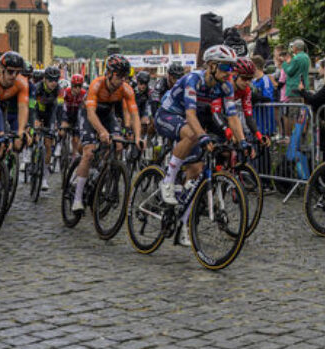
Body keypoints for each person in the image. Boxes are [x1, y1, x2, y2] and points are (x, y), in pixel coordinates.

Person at [154, 45, 247, 231]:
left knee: (196, 169)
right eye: (225, 67)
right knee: (192, 134)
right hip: (167, 114)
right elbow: (190, 115)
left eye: (232, 68)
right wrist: (203, 136)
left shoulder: (226, 86)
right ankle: (168, 181)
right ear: (211, 66)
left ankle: (182, 223)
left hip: (187, 119)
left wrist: (243, 141)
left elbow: (232, 117)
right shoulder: (193, 79)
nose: (230, 73)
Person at [71, 55, 141, 213]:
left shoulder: (125, 89)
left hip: (107, 115)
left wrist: (138, 137)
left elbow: (134, 114)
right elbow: (90, 114)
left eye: (125, 76)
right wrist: (102, 131)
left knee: (118, 146)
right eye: (119, 76)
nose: (122, 80)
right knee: (88, 152)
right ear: (109, 74)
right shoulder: (96, 85)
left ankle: (102, 174)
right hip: (89, 114)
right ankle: (77, 197)